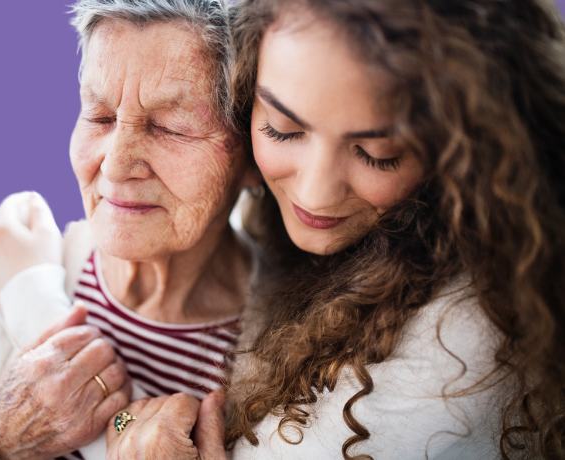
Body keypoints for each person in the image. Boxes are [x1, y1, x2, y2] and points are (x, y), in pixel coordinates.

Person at [102, 0, 565, 459]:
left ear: (463, 150)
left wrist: (32, 300)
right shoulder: (263, 214)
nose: (315, 194)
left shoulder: (465, 336)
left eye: (379, 153)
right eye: (282, 129)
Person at [0, 1, 262, 459]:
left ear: (255, 151)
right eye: (99, 116)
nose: (114, 165)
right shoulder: (29, 261)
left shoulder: (288, 337)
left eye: (171, 128)